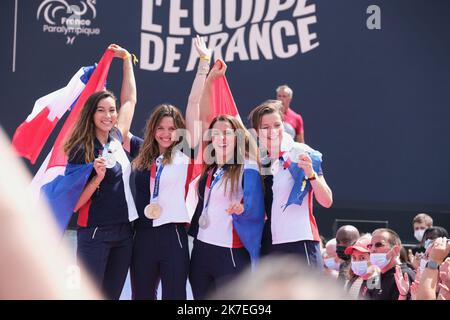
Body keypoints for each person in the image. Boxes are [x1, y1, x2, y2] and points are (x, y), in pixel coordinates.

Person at [127, 36, 210, 300]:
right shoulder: (139, 150)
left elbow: (194, 101)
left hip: (173, 235)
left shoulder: (185, 150)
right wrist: (126, 66)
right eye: (160, 128)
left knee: (175, 296)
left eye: (171, 128)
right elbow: (124, 114)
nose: (165, 133)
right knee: (141, 295)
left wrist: (203, 64)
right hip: (141, 236)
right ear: (152, 129)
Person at [63, 44, 138, 299]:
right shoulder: (80, 149)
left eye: (112, 110)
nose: (108, 115)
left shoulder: (117, 136)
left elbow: (130, 99)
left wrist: (127, 60)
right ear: (91, 113)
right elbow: (74, 205)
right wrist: (97, 179)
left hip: (125, 233)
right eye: (101, 110)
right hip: (94, 234)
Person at [187, 61, 265, 300]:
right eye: (216, 133)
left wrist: (243, 207)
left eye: (227, 133)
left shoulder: (247, 165)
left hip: (230, 252)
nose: (221, 137)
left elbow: (254, 204)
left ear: (237, 136)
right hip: (201, 249)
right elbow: (204, 114)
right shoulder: (210, 166)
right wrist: (210, 80)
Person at [249, 99, 332, 269]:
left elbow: (327, 201)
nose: (272, 131)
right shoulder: (257, 161)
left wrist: (311, 174)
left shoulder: (302, 152)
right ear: (257, 132)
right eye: (265, 127)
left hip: (301, 241)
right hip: (270, 244)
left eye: (277, 125)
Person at [365, 228, 415, 300]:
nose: (372, 249)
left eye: (378, 245)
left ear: (395, 250)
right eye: (370, 246)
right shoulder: (374, 278)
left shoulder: (405, 275)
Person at [343, 234, 380, 299]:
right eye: (354, 257)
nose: (357, 262)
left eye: (362, 258)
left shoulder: (377, 281)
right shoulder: (352, 280)